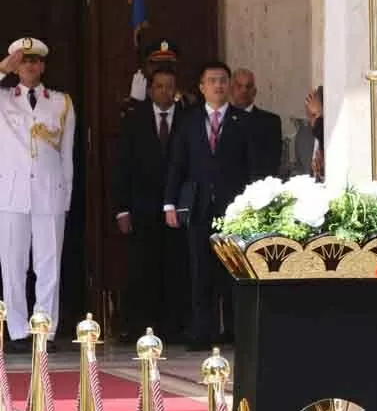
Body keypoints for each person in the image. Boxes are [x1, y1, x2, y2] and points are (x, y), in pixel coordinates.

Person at [164, 61, 258, 349]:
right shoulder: (189, 122)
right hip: (199, 207)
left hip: (233, 209)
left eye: (223, 80)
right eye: (212, 80)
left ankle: (234, 330)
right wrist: (170, 203)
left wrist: (252, 204)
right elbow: (177, 164)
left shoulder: (243, 122)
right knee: (199, 270)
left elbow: (251, 166)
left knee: (233, 270)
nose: (218, 85)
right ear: (201, 87)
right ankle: (201, 331)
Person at [0, 38, 75, 349]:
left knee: (48, 264)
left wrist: (66, 197)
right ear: (16, 66)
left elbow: (66, 155)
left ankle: (44, 328)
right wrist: (2, 67)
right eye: (23, 60)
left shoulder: (60, 102)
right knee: (13, 264)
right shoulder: (4, 99)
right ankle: (17, 331)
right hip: (11, 193)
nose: (29, 65)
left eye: (34, 60)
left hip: (49, 192)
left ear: (43, 65)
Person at [114, 66, 189, 341]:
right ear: (150, 90)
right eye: (159, 86)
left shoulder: (188, 118)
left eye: (170, 86)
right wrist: (122, 208)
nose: (164, 91)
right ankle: (139, 327)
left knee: (175, 266)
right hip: (142, 206)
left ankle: (174, 327)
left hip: (177, 208)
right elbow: (123, 166)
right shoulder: (135, 120)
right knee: (142, 268)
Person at [230, 68, 285, 178]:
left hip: (258, 189)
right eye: (239, 86)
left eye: (248, 86)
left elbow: (272, 164)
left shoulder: (270, 122)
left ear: (254, 92)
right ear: (231, 90)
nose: (244, 91)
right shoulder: (220, 120)